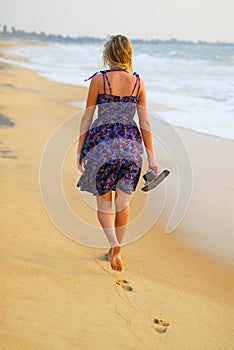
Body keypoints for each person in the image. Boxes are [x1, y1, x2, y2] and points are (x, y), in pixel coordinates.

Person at [77, 34, 158, 272]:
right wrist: (151, 156)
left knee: (105, 206)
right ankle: (118, 247)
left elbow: (86, 117)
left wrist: (80, 149)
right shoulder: (139, 82)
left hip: (103, 145)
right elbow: (145, 122)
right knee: (123, 204)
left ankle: (113, 243)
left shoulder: (99, 80)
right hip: (131, 147)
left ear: (109, 54)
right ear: (129, 54)